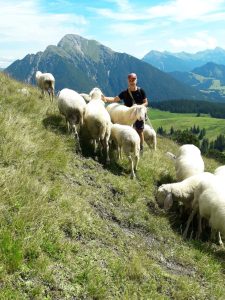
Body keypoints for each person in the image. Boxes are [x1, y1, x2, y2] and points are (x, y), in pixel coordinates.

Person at [103, 73, 148, 152]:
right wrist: (104, 98)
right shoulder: (125, 93)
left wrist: (138, 106)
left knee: (139, 131)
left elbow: (146, 102)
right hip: (127, 115)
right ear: (128, 81)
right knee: (127, 130)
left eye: (133, 79)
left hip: (139, 114)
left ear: (136, 80)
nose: (132, 81)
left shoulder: (141, 91)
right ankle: (125, 147)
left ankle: (140, 148)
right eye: (130, 80)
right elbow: (114, 99)